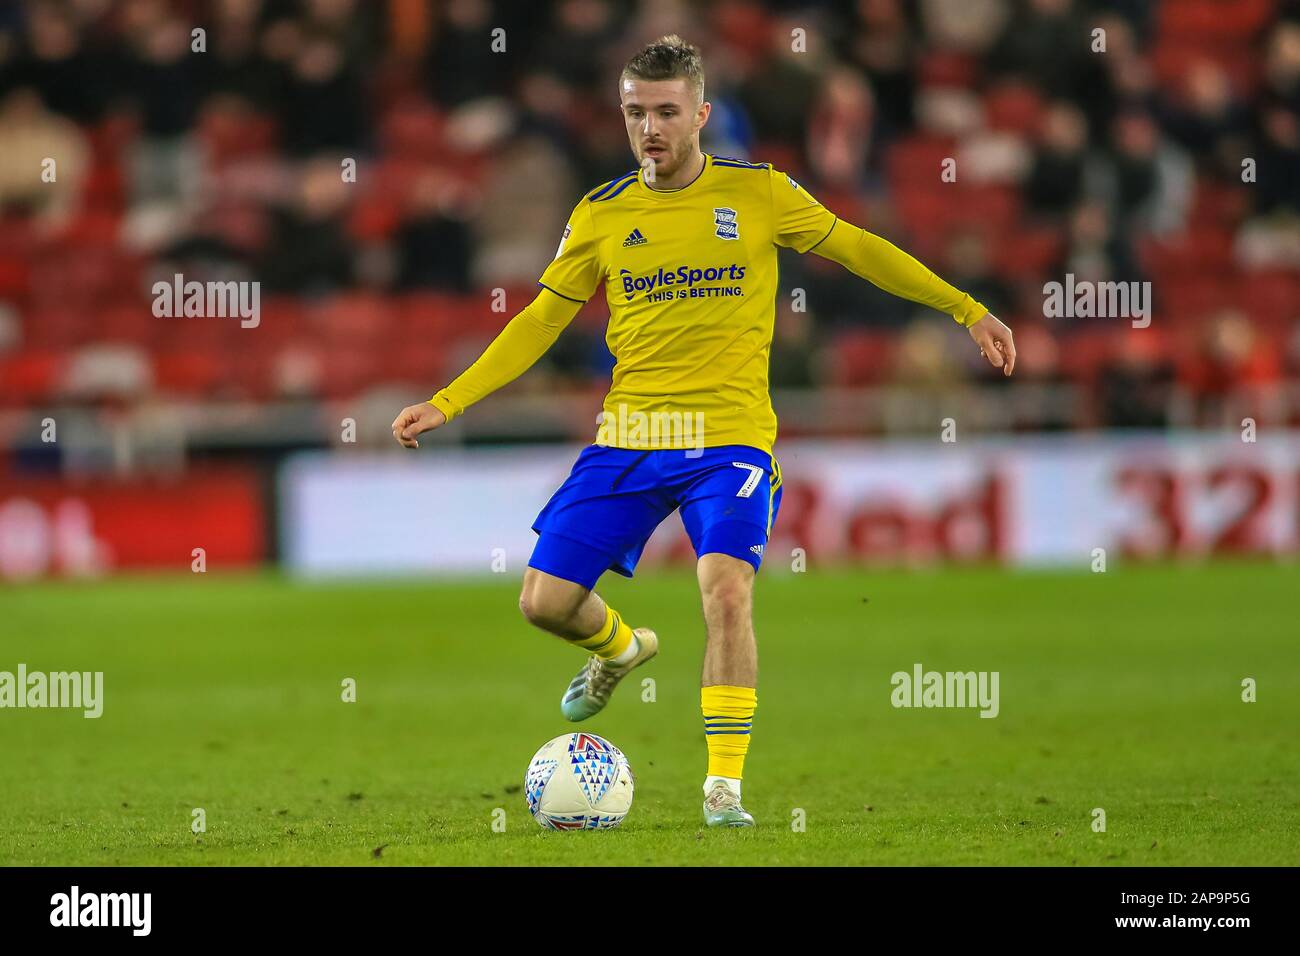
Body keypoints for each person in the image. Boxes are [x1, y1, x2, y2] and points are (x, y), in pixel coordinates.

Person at [392, 35, 1016, 827]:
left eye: (665, 112)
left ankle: (724, 786)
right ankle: (621, 650)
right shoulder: (601, 213)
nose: (648, 129)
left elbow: (858, 250)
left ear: (701, 115)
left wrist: (966, 307)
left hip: (729, 440)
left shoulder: (759, 195)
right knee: (544, 604)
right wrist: (450, 400)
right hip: (629, 437)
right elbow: (540, 321)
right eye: (634, 114)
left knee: (725, 591)